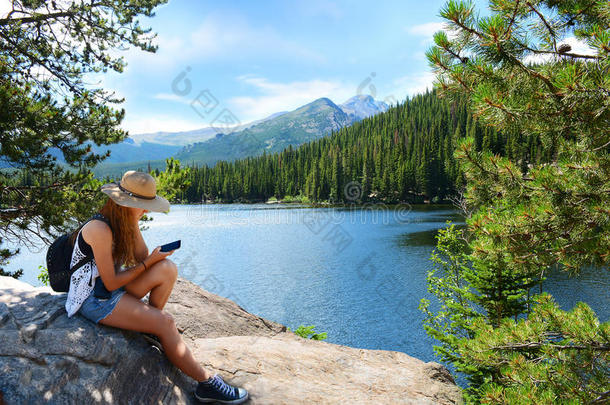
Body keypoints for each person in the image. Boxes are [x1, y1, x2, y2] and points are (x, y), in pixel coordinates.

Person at [64, 170, 249, 404]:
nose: (145, 210)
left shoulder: (122, 222)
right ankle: (206, 384)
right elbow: (113, 281)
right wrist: (148, 261)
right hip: (94, 300)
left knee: (167, 268)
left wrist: (135, 229)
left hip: (111, 290)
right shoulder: (99, 229)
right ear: (124, 203)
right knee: (167, 322)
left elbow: (141, 256)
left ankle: (151, 327)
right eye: (140, 205)